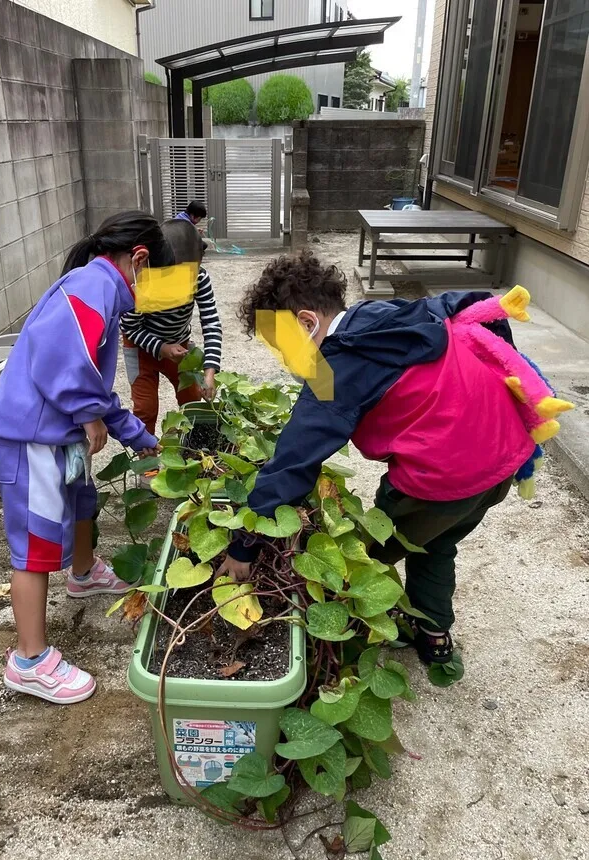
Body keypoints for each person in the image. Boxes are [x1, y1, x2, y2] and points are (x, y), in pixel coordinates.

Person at [218, 251, 538, 666]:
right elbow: (474, 306)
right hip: (503, 459)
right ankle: (434, 636)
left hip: (441, 478)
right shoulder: (386, 315)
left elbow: (294, 462)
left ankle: (338, 645)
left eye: (282, 346)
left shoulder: (336, 369)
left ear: (306, 323)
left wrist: (244, 546)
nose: (285, 359)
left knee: (362, 560)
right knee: (436, 542)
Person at [0, 211, 171, 704]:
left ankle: (83, 574)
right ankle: (29, 660)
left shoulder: (100, 287)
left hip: (57, 431)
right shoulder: (93, 286)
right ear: (140, 260)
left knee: (83, 500)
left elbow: (94, 388)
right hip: (31, 434)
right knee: (36, 541)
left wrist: (137, 435)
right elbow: (59, 359)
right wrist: (90, 415)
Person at [120, 218, 222, 436]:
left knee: (191, 399)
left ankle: (193, 449)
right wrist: (162, 348)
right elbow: (130, 327)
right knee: (145, 408)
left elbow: (211, 323)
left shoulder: (200, 279)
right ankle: (146, 462)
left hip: (180, 346)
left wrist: (210, 371)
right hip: (141, 348)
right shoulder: (142, 282)